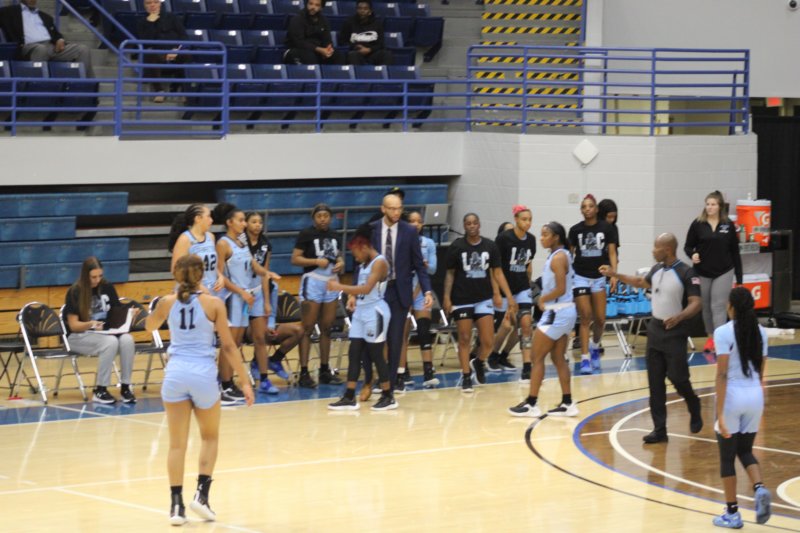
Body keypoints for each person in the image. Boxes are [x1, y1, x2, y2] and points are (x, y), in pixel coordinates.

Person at [146, 255, 254, 526]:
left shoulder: (166, 302)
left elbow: (149, 326)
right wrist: (244, 381)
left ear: (176, 275)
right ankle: (201, 496)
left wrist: (152, 312)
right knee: (209, 437)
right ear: (202, 275)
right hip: (203, 374)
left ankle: (176, 505)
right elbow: (228, 346)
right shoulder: (214, 303)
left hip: (176, 374)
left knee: (176, 444)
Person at [599, 233, 704, 443]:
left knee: (678, 378)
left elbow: (696, 302)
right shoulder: (656, 269)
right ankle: (660, 429)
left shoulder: (686, 272)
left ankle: (693, 403)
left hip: (675, 332)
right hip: (655, 330)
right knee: (655, 383)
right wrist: (614, 274)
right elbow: (640, 282)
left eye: (656, 247)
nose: (653, 251)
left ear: (667, 250)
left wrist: (679, 317)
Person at [711, 287, 771, 528]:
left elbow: (722, 374)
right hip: (755, 394)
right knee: (745, 450)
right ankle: (760, 488)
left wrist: (720, 415)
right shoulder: (761, 332)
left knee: (727, 457)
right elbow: (761, 370)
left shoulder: (723, 332)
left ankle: (732, 513)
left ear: (731, 306)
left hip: (733, 396)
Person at [362, 189, 433, 389]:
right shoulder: (371, 229)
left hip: (399, 291)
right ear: (383, 209)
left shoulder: (409, 231)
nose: (396, 212)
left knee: (395, 339)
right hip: (377, 291)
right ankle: (374, 379)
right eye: (392, 209)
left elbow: (419, 264)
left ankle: (390, 386)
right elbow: (362, 262)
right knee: (375, 339)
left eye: (399, 209)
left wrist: (427, 291)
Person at [508, 222, 578, 417]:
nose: (541, 238)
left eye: (545, 234)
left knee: (536, 357)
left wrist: (542, 299)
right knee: (558, 358)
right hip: (565, 311)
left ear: (556, 237)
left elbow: (561, 288)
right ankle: (568, 403)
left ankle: (531, 403)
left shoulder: (558, 257)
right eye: (541, 234)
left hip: (557, 312)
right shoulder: (562, 254)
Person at [443, 213, 516, 393]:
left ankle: (478, 362)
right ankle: (466, 375)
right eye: (468, 223)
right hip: (461, 299)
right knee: (464, 338)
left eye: (475, 223)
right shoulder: (457, 246)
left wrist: (508, 296)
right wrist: (446, 297)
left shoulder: (490, 246)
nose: (472, 226)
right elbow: (450, 273)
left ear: (479, 224)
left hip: (483, 298)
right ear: (464, 226)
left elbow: (498, 273)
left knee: (488, 341)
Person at [327, 224, 397, 411]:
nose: (355, 257)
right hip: (361, 311)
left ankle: (388, 395)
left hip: (376, 311)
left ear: (364, 247)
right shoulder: (364, 263)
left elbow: (366, 289)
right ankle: (349, 396)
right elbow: (359, 287)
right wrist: (352, 296)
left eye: (356, 253)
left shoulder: (380, 262)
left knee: (376, 354)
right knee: (354, 352)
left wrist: (340, 288)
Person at [63, 257, 137, 405]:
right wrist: (90, 324)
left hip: (105, 333)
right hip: (78, 336)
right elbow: (73, 326)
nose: (97, 280)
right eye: (93, 277)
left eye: (100, 276)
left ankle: (125, 387)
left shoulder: (107, 287)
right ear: (85, 275)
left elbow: (116, 315)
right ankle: (100, 389)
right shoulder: (75, 291)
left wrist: (129, 316)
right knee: (110, 342)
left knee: (127, 339)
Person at [214, 204, 271, 396]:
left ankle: (229, 382)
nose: (244, 224)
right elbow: (220, 276)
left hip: (245, 297)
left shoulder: (242, 242)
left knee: (236, 343)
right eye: (240, 220)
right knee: (229, 343)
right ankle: (224, 384)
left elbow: (253, 265)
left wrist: (266, 272)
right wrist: (241, 292)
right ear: (229, 222)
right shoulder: (223, 244)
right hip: (232, 297)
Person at [244, 212, 300, 392]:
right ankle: (224, 379)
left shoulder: (266, 244)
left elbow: (264, 274)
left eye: (260, 222)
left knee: (262, 336)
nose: (257, 225)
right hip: (241, 293)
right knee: (240, 338)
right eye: (254, 221)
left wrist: (267, 303)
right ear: (246, 224)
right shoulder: (239, 243)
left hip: (257, 292)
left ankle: (264, 376)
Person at [292, 203, 346, 388]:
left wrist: (340, 262)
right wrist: (315, 261)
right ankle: (304, 372)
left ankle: (324, 370)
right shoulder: (306, 234)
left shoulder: (335, 235)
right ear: (313, 218)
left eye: (326, 216)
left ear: (330, 218)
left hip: (331, 281)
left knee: (327, 328)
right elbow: (295, 258)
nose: (323, 219)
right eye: (319, 216)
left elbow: (338, 255)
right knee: (307, 328)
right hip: (313, 280)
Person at [684, 190, 743, 358]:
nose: (709, 207)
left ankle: (719, 340)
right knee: (706, 306)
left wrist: (739, 277)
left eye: (713, 204)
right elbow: (688, 246)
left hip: (724, 270)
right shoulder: (697, 224)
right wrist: (692, 254)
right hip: (703, 271)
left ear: (720, 206)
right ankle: (711, 337)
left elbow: (735, 252)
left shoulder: (728, 225)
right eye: (707, 204)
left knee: (718, 306)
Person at [568, 194, 618, 375]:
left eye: (590, 206)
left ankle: (595, 346)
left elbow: (612, 253)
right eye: (584, 206)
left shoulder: (607, 228)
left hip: (599, 277)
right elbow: (569, 254)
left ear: (596, 209)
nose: (587, 209)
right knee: (585, 317)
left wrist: (614, 274)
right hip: (580, 276)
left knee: (600, 319)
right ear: (581, 210)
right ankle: (585, 358)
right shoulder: (575, 230)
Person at [490, 207, 537, 381]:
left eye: (530, 219)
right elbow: (494, 268)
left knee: (526, 325)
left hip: (522, 288)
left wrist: (528, 283)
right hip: (504, 289)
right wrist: (496, 292)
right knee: (506, 325)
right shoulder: (504, 239)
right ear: (516, 219)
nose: (528, 222)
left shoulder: (531, 240)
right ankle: (493, 354)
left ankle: (525, 366)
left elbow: (528, 265)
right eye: (524, 219)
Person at [397, 210, 439, 390]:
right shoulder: (401, 242)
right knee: (402, 333)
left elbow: (433, 269)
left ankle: (428, 371)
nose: (416, 224)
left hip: (421, 290)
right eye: (412, 221)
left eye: (419, 221)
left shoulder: (428, 243)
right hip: (404, 290)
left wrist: (423, 265)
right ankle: (402, 371)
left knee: (423, 330)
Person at [0, 0, 93, 76]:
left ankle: (85, 86)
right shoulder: (8, 12)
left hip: (51, 46)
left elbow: (56, 34)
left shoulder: (45, 16)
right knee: (41, 49)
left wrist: (60, 40)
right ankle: (37, 86)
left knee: (82, 49)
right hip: (28, 47)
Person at [167, 203, 225, 296]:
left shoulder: (211, 237)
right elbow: (175, 270)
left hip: (212, 289)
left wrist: (220, 276)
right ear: (198, 218)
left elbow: (211, 265)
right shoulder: (185, 239)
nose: (212, 220)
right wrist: (197, 286)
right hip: (191, 292)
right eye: (208, 216)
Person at [136, 0, 188, 102]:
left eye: (155, 2)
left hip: (175, 51)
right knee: (150, 55)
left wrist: (176, 50)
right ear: (145, 6)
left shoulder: (172, 17)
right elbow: (146, 42)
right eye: (148, 3)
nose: (152, 5)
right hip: (157, 52)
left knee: (187, 55)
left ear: (160, 4)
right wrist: (150, 23)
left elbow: (184, 36)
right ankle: (159, 91)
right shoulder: (142, 22)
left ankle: (181, 89)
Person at [284, 0, 344, 65]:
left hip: (317, 51)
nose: (313, 7)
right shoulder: (297, 19)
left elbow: (327, 39)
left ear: (321, 7)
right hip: (296, 50)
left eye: (317, 5)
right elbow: (299, 42)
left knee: (337, 55)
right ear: (307, 4)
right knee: (309, 56)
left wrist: (328, 49)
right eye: (310, 4)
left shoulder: (324, 20)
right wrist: (320, 50)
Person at [340, 0, 392, 66]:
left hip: (373, 53)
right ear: (356, 10)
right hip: (357, 52)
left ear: (370, 11)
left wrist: (370, 49)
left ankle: (382, 72)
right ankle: (356, 72)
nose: (362, 11)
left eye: (365, 9)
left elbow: (381, 44)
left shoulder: (377, 24)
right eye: (360, 8)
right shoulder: (349, 23)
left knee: (387, 54)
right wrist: (355, 46)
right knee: (352, 55)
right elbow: (342, 41)